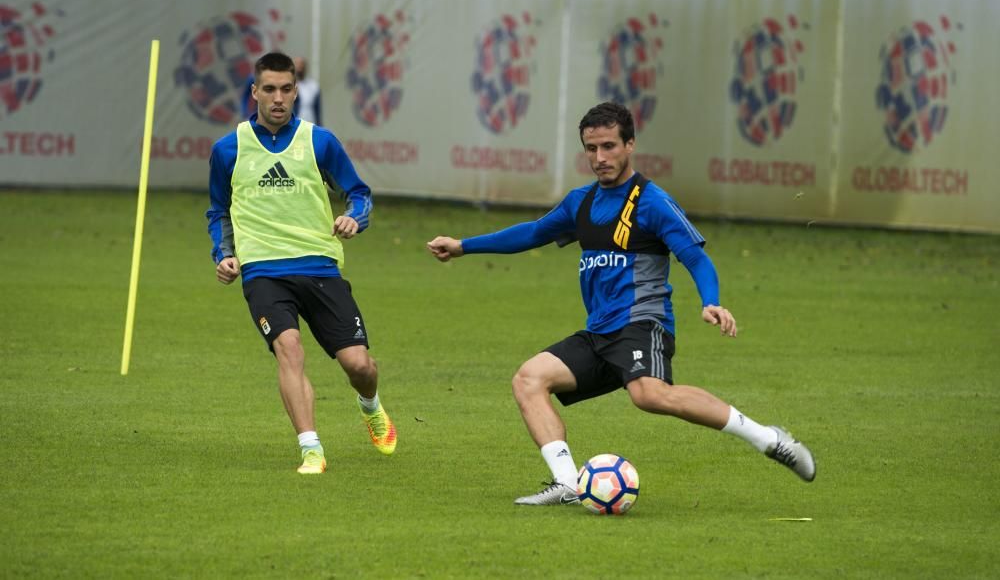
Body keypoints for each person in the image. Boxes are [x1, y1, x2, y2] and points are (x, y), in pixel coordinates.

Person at [427, 102, 815, 505]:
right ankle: (568, 484)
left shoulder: (652, 202)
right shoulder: (581, 203)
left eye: (609, 146)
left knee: (649, 395)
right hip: (599, 332)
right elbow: (533, 233)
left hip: (642, 324)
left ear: (630, 145)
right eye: (591, 148)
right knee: (529, 379)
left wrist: (711, 301)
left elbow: (696, 257)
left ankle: (770, 439)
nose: (600, 158)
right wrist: (463, 247)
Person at [207, 51, 396, 475]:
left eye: (286, 89)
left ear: (297, 92)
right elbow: (218, 211)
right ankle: (312, 449)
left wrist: (354, 218)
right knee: (289, 350)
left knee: (359, 366)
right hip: (263, 272)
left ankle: (370, 406)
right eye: (269, 89)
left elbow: (359, 194)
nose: (278, 98)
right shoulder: (228, 149)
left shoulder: (320, 142)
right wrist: (225, 255)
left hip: (321, 267)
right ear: (254, 92)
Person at [293, 56, 323, 125]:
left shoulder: (314, 86)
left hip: (311, 124)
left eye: (301, 64)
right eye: (297, 64)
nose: (299, 67)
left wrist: (320, 126)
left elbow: (317, 110)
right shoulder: (288, 86)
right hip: (294, 126)